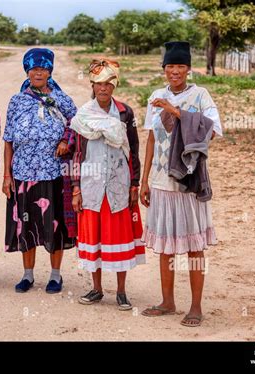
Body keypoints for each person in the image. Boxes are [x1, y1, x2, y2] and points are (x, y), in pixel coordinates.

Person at [140, 42, 222, 326]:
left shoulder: (201, 96)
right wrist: (145, 181)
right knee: (165, 246)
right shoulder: (156, 95)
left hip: (189, 181)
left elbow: (212, 130)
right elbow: (150, 139)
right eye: (170, 67)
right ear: (164, 69)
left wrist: (176, 113)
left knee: (193, 247)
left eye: (180, 66)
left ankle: (196, 306)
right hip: (162, 181)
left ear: (188, 69)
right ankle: (167, 301)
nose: (175, 72)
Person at [71, 59, 145, 311]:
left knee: (118, 237)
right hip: (91, 185)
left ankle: (122, 292)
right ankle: (97, 289)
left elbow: (133, 149)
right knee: (96, 238)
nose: (103, 89)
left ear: (114, 86)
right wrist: (76, 188)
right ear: (92, 85)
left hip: (118, 185)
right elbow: (78, 153)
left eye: (107, 84)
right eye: (98, 84)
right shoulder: (83, 114)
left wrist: (134, 183)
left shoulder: (125, 113)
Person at [3, 48, 77, 294]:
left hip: (53, 173)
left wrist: (66, 139)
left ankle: (55, 276)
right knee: (26, 225)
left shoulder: (61, 98)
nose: (38, 72)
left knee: (53, 225)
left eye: (43, 68)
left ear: (50, 71)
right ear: (27, 71)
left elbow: (78, 124)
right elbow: (8, 140)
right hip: (23, 174)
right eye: (34, 68)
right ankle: (28, 275)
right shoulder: (17, 101)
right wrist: (6, 175)